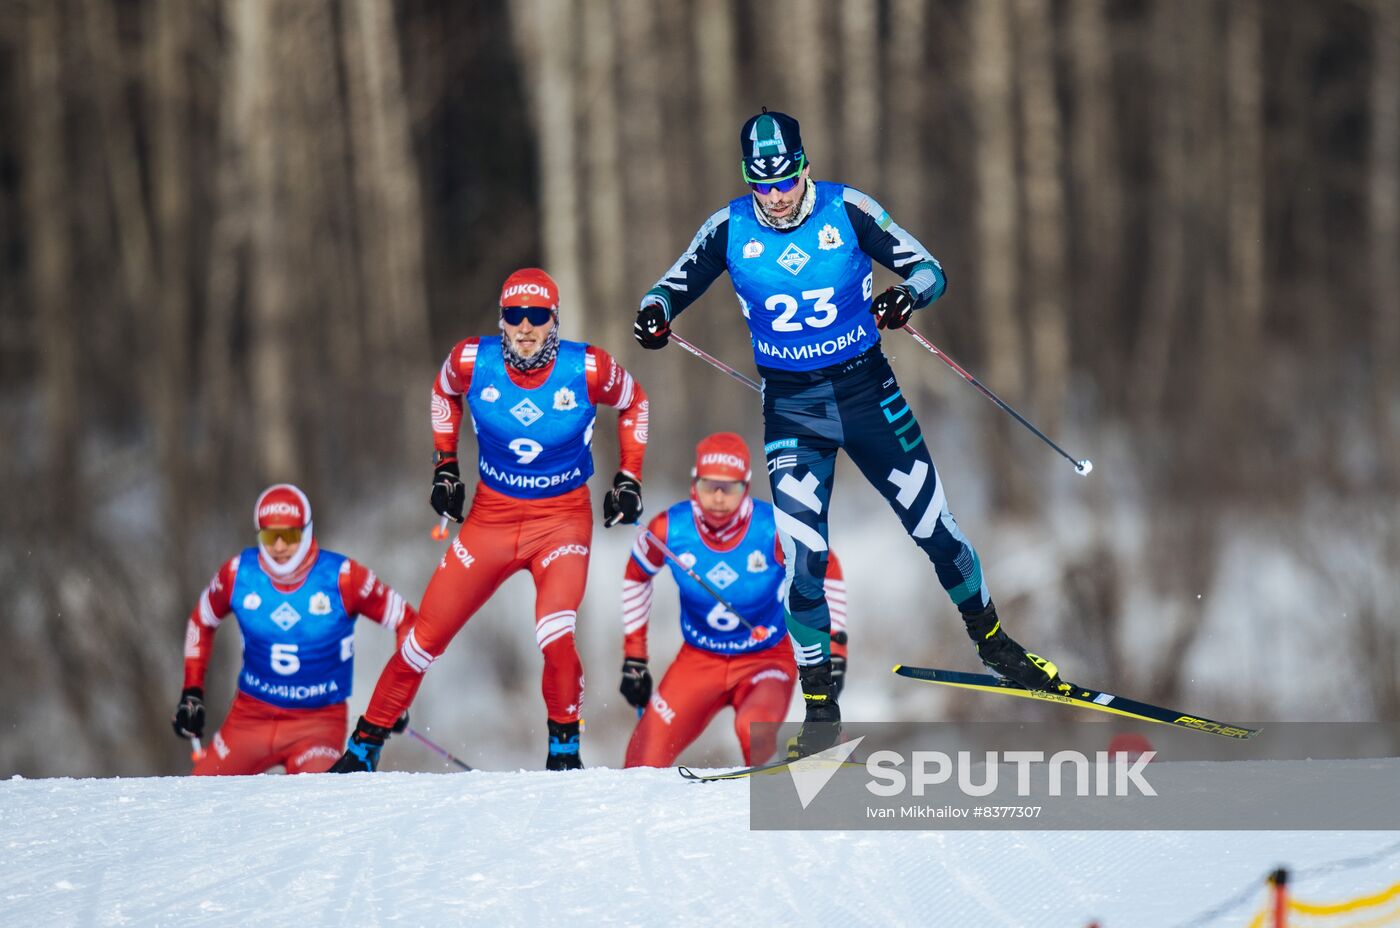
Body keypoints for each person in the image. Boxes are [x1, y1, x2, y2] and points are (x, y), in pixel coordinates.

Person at [633, 109, 1070, 754]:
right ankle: (820, 713)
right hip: (793, 411)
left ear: (805, 166)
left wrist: (905, 298)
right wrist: (654, 312)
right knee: (804, 560)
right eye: (763, 185)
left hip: (869, 394)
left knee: (935, 530)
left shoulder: (848, 210)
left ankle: (996, 646)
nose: (777, 197)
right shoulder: (729, 228)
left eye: (786, 180)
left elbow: (930, 270)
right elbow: (670, 286)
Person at [331, 267, 649, 773]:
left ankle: (564, 754)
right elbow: (441, 394)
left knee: (555, 631)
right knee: (422, 641)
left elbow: (634, 401)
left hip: (561, 521)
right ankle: (362, 750)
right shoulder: (470, 360)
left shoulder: (587, 367)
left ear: (554, 321)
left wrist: (628, 478)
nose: (525, 328)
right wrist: (445, 467)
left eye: (537, 316)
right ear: (501, 321)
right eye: (514, 316)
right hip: (492, 521)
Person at [619, 433, 849, 768]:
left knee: (751, 728)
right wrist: (635, 657)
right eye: (708, 485)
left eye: (729, 488)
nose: (717, 497)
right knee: (640, 759)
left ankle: (782, 795)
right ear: (694, 482)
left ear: (746, 486)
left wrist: (835, 650)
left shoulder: (771, 527)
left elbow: (829, 570)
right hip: (699, 660)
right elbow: (635, 578)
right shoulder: (670, 529)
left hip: (767, 658)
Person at [171, 483, 418, 775]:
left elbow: (406, 619)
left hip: (317, 724)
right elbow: (202, 620)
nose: (278, 547)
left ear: (306, 531)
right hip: (250, 718)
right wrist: (192, 691)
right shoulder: (239, 573)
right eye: (269, 536)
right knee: (198, 796)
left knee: (320, 802)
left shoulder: (342, 577)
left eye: (288, 536)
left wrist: (395, 700)